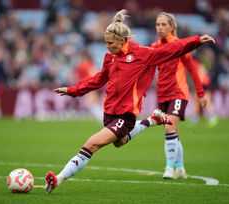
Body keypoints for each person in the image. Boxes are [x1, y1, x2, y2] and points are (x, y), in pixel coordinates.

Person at [44, 9, 215, 194]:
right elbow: (99, 80)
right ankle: (151, 120)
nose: (108, 47)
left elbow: (172, 50)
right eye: (106, 43)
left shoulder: (142, 54)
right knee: (120, 142)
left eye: (111, 43)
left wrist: (196, 40)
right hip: (109, 112)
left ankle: (58, 179)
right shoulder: (109, 57)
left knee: (91, 144)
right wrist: (73, 90)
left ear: (122, 40)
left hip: (125, 115)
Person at [115, 12, 212, 179]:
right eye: (157, 25)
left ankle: (169, 169)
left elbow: (192, 69)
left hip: (178, 93)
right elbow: (149, 72)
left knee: (169, 127)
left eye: (163, 25)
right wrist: (142, 94)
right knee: (173, 130)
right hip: (162, 95)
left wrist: (201, 93)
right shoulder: (154, 47)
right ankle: (181, 168)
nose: (160, 27)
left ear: (172, 27)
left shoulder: (179, 46)